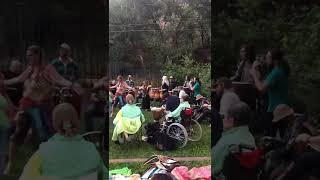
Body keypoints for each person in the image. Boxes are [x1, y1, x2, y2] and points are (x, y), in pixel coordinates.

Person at [1, 45, 82, 174]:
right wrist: (4, 83)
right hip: (27, 105)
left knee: (44, 135)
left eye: (30, 55)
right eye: (27, 55)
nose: (28, 58)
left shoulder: (47, 68)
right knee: (18, 134)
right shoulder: (30, 69)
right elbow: (19, 79)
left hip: (42, 106)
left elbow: (59, 79)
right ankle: (10, 163)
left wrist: (72, 85)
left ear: (38, 56)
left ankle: (50, 162)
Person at [19, 103, 107, 179]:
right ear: (77, 121)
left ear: (54, 124)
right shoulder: (91, 149)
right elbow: (105, 175)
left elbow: (26, 177)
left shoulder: (44, 151)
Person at [250, 48, 290, 136]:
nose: (265, 60)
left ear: (274, 60)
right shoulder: (281, 70)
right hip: (282, 107)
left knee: (270, 136)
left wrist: (254, 75)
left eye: (268, 57)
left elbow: (261, 88)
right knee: (280, 135)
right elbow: (264, 83)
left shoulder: (276, 72)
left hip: (274, 109)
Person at [212, 102, 256, 178]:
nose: (223, 120)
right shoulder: (250, 136)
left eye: (224, 117)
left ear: (231, 120)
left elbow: (212, 166)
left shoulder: (227, 141)